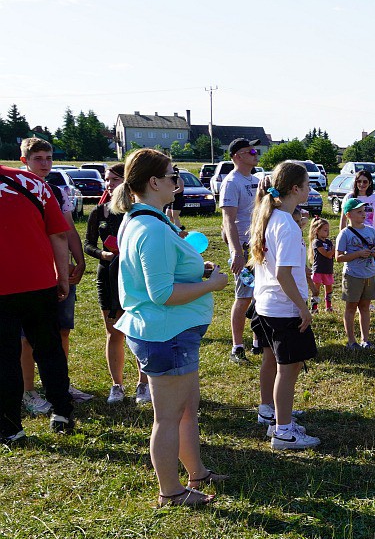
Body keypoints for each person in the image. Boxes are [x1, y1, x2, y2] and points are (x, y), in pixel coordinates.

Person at [112, 148, 230, 508]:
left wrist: (196, 270)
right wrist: (211, 284)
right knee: (167, 417)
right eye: (173, 175)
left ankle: (196, 473)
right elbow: (161, 293)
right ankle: (171, 492)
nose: (177, 181)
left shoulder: (141, 220)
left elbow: (163, 273)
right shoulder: (151, 228)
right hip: (166, 334)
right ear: (154, 182)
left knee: (186, 409)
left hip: (171, 333)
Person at [247, 162, 321, 451]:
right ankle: (284, 432)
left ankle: (279, 419)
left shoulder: (272, 216)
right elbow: (284, 274)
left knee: (278, 365)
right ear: (295, 189)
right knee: (288, 370)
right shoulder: (287, 225)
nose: (310, 189)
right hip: (283, 308)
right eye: (306, 185)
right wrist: (303, 308)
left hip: (265, 304)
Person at [0, 159, 74, 444]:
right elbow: (58, 234)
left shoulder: (35, 183)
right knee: (49, 350)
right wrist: (62, 276)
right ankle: (62, 412)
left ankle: (10, 427)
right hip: (39, 283)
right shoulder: (34, 183)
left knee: (4, 358)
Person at [19, 138, 89, 409]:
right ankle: (28, 391)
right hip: (30, 273)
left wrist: (79, 259)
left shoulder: (58, 192)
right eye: (38, 159)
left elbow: (68, 229)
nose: (44, 164)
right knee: (27, 337)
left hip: (59, 270)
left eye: (48, 158)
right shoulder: (14, 190)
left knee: (61, 330)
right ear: (24, 160)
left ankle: (60, 383)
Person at [84, 163, 149, 405]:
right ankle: (117, 385)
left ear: (127, 181)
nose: (108, 184)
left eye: (113, 179)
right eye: (106, 179)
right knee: (114, 332)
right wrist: (103, 254)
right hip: (108, 275)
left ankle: (143, 384)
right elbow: (88, 244)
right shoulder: (100, 212)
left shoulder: (139, 211)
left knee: (140, 331)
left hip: (134, 275)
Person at [219, 137, 261, 364]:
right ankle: (237, 346)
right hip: (243, 248)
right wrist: (236, 252)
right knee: (244, 296)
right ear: (237, 156)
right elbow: (228, 220)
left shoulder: (255, 180)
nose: (255, 153)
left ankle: (257, 341)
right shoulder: (231, 182)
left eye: (255, 150)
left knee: (259, 294)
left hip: (259, 246)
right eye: (250, 151)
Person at [336, 197, 375, 350]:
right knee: (351, 307)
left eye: (364, 211)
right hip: (352, 275)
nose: (364, 214)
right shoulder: (345, 234)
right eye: (359, 212)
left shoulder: (371, 231)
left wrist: (374, 251)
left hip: (369, 274)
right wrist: (358, 254)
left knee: (365, 307)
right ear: (348, 215)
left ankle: (365, 340)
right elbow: (338, 257)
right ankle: (351, 341)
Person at [339, 170, 375, 237]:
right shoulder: (349, 197)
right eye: (359, 181)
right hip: (353, 235)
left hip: (370, 235)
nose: (361, 184)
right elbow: (343, 219)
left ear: (370, 183)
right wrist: (342, 236)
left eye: (365, 182)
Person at [309, 216, 335, 313]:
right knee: (316, 290)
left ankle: (328, 306)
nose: (327, 232)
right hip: (319, 270)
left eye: (328, 230)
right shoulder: (317, 242)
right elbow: (327, 254)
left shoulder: (328, 242)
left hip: (328, 269)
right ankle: (314, 308)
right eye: (325, 230)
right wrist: (333, 250)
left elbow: (332, 256)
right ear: (317, 231)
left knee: (329, 289)